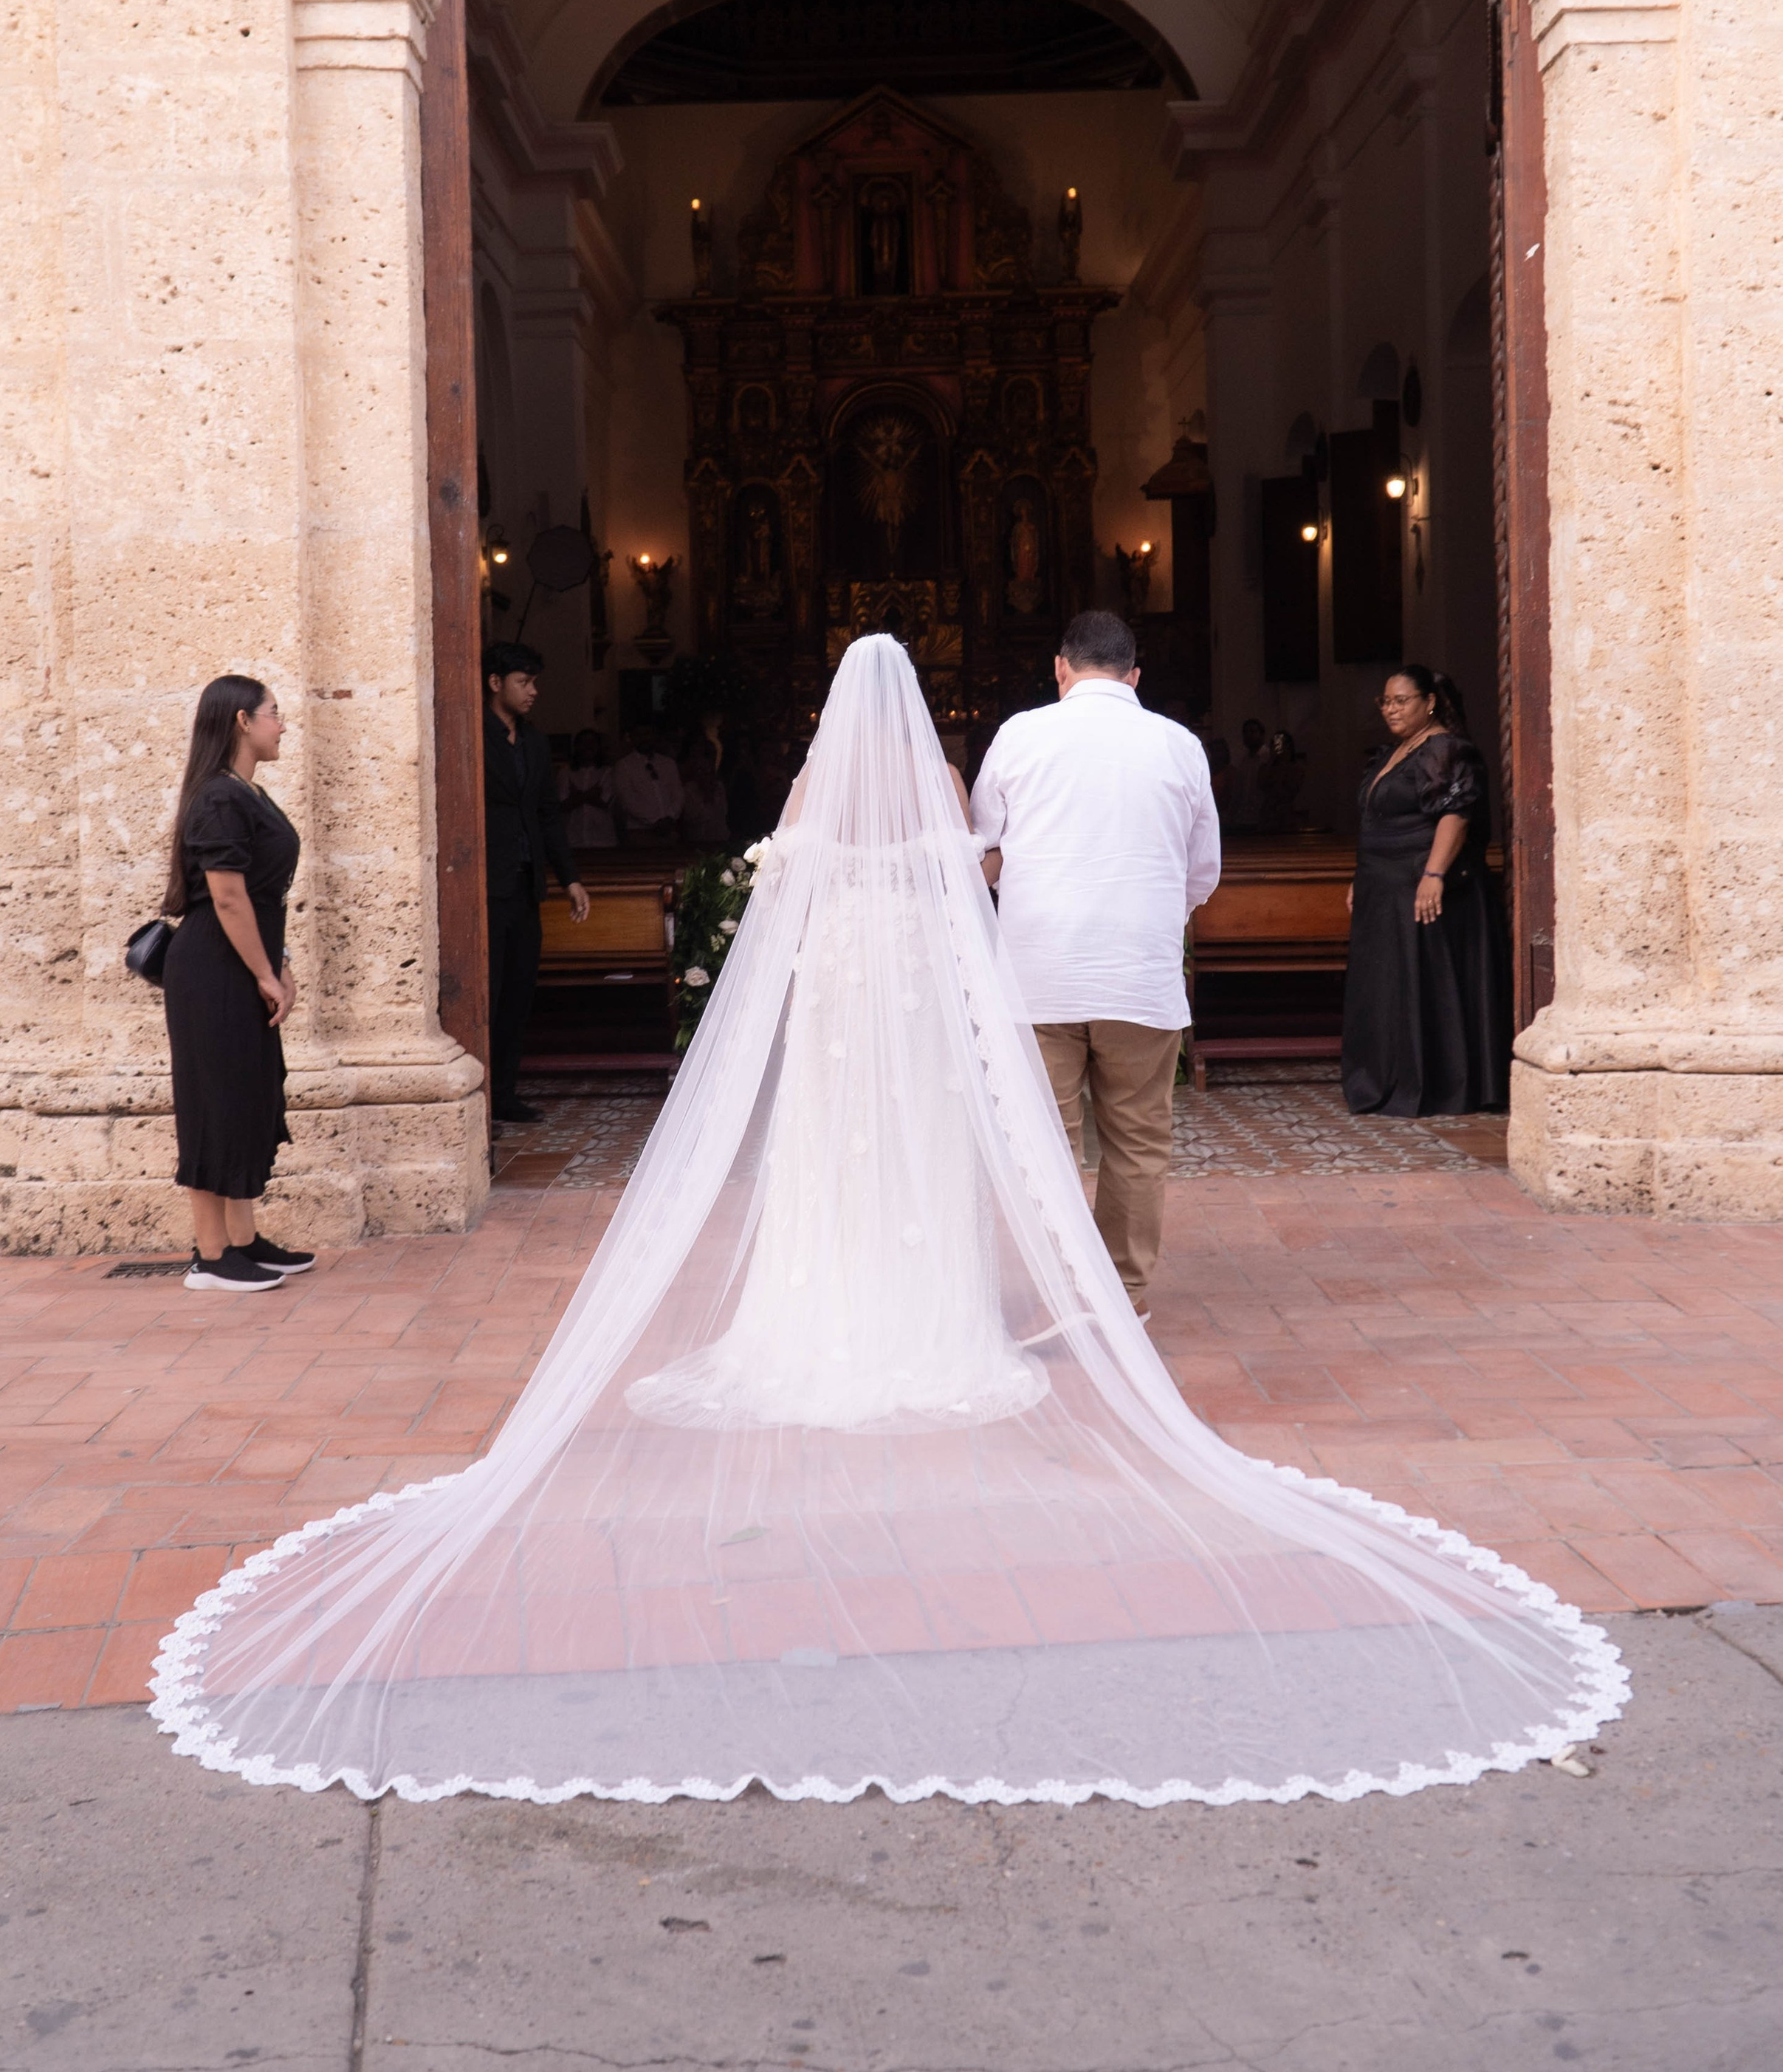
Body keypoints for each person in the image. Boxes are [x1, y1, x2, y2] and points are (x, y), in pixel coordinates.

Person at [155, 634, 1623, 1811]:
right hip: (930, 1010)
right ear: (917, 714)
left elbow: (778, 884)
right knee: (1067, 1147)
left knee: (836, 1166)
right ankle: (1065, 1298)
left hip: (840, 1014)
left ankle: (833, 1317)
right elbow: (983, 873)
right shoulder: (970, 780)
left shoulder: (832, 798)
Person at [969, 608, 1219, 1305]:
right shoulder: (1180, 745)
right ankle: (1124, 1299)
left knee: (1043, 1145)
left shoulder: (1020, 735)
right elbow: (1203, 870)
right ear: (1135, 674)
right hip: (1139, 978)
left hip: (1037, 973)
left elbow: (983, 849)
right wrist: (1148, 919)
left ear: (1061, 668)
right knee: (1138, 1143)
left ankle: (1057, 1291)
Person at [159, 674, 317, 1294]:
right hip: (214, 970)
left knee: (248, 1097)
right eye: (275, 713)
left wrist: (279, 963)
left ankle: (245, 1241)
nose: (284, 724)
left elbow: (257, 897)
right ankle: (210, 1255)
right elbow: (225, 899)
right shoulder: (221, 799)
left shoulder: (244, 792)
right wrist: (262, 973)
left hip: (241, 964)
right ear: (242, 722)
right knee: (213, 1104)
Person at [1341, 664, 1511, 1116]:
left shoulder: (1446, 749)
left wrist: (1434, 876)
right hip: (1384, 887)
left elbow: (1455, 813)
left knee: (1424, 984)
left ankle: (1434, 1085)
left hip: (1422, 887)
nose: (1391, 709)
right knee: (1390, 987)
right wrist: (1363, 876)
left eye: (1402, 701)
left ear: (1429, 701)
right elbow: (1377, 820)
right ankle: (1389, 1078)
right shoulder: (1396, 752)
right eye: (1386, 701)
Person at [484, 644, 590, 1129]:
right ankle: (478, 1096)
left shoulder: (536, 743)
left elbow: (547, 814)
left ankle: (504, 1093)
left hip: (527, 885)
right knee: (488, 991)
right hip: (486, 887)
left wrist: (569, 878)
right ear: (495, 682)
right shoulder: (475, 736)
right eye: (524, 682)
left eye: (534, 682)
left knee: (519, 995)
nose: (533, 691)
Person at [612, 718, 685, 838]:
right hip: (639, 831)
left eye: (647, 734)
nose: (644, 739)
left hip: (670, 829)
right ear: (632, 737)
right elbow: (627, 800)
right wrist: (655, 820)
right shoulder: (624, 766)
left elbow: (678, 793)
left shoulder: (668, 763)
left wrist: (671, 817)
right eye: (639, 735)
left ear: (654, 736)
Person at [557, 728, 617, 851]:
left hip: (603, 839)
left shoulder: (607, 772)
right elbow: (563, 805)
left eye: (592, 742)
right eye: (584, 743)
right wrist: (591, 794)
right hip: (573, 839)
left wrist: (577, 796)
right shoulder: (565, 772)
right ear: (577, 746)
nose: (588, 746)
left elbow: (605, 802)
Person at [678, 735, 730, 846]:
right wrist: (705, 795)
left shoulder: (719, 786)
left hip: (720, 839)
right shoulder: (687, 788)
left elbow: (723, 813)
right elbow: (691, 817)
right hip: (696, 841)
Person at [1225, 716, 1269, 829]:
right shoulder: (1244, 760)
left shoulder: (1268, 758)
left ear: (1262, 734)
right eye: (1246, 732)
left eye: (1253, 731)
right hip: (1244, 817)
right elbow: (1239, 791)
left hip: (1263, 816)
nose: (1249, 735)